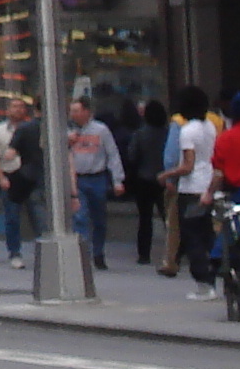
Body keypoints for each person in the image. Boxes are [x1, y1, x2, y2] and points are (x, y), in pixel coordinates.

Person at [168, 85, 220, 299]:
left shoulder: (188, 130)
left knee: (192, 237)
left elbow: (187, 165)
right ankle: (216, 276)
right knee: (208, 234)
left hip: (191, 189)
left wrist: (166, 174)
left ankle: (203, 282)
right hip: (208, 184)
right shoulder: (210, 127)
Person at [66, 98, 123, 271]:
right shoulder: (67, 131)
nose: (74, 114)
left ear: (87, 112)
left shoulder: (100, 130)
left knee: (99, 218)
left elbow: (112, 154)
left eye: (77, 110)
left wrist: (117, 180)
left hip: (97, 177)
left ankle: (98, 252)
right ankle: (83, 254)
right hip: (78, 179)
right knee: (80, 217)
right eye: (72, 111)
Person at [0, 96, 44, 270]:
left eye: (21, 107)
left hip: (32, 177)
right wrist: (1, 178)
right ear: (7, 110)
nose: (18, 110)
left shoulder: (33, 128)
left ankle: (42, 250)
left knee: (38, 215)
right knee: (12, 217)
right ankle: (14, 252)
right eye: (14, 107)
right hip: (11, 177)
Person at [126, 100, 170, 268]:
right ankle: (174, 251)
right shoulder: (167, 133)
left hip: (144, 178)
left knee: (145, 219)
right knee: (168, 217)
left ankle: (144, 254)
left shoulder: (140, 134)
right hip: (164, 178)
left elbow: (132, 155)